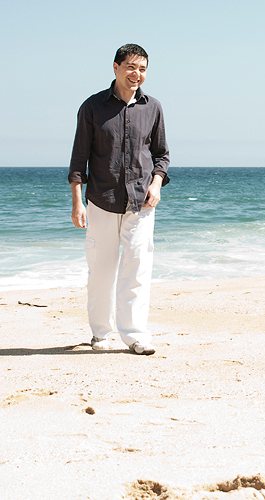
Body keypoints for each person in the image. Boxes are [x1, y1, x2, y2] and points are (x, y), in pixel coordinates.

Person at [68, 43, 169, 355]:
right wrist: (77, 201)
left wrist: (157, 184)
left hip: (141, 201)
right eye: (130, 67)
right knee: (101, 269)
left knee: (137, 268)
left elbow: (161, 155)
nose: (136, 74)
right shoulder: (92, 107)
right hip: (101, 199)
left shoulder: (153, 107)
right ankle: (100, 333)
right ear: (115, 67)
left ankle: (135, 336)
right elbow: (78, 159)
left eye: (142, 69)